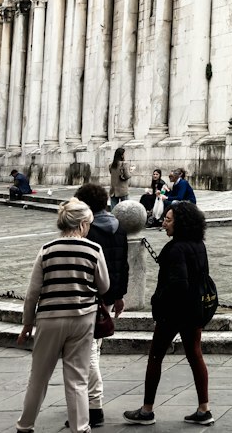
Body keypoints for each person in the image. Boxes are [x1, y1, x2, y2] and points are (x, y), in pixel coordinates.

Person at [16, 197, 110, 433]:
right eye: (88, 223)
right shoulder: (94, 249)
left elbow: (32, 293)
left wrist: (27, 323)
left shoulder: (47, 250)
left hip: (49, 318)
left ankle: (25, 426)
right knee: (78, 378)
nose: (89, 227)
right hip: (82, 318)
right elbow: (104, 286)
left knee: (38, 376)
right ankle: (80, 428)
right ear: (80, 225)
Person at [124, 201, 213, 425]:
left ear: (180, 223)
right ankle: (204, 409)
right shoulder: (198, 244)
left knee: (155, 357)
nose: (164, 223)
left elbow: (178, 284)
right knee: (195, 355)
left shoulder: (175, 249)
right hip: (195, 310)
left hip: (173, 313)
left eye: (169, 219)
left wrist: (157, 301)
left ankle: (146, 410)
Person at [75, 182, 129, 429]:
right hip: (107, 297)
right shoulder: (119, 227)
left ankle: (94, 408)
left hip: (89, 298)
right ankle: (88, 402)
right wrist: (118, 296)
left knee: (90, 354)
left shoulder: (88, 231)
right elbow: (122, 264)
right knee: (94, 348)